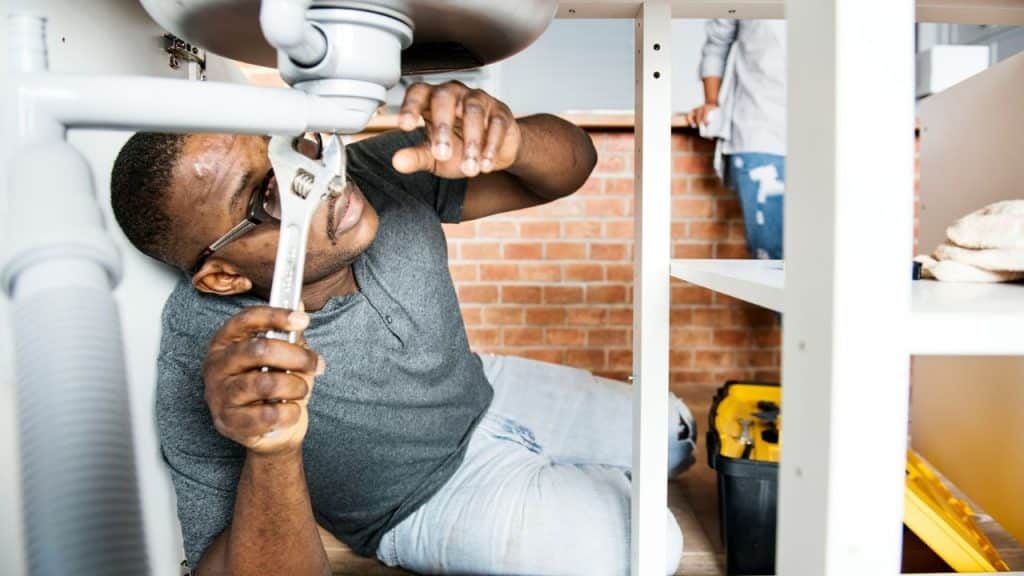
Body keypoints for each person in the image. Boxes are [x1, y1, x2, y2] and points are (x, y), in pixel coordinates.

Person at [110, 81, 697, 576]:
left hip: (481, 389)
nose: (323, 181)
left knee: (675, 432)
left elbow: (573, 166)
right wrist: (272, 451)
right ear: (222, 277)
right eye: (269, 194)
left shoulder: (373, 170)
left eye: (295, 149)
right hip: (419, 502)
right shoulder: (206, 356)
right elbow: (224, 561)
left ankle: (580, 469)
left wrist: (511, 140)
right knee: (646, 543)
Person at [686, 19, 787, 260]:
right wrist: (711, 101)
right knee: (770, 257)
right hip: (759, 132)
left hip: (826, 136)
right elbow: (716, 45)